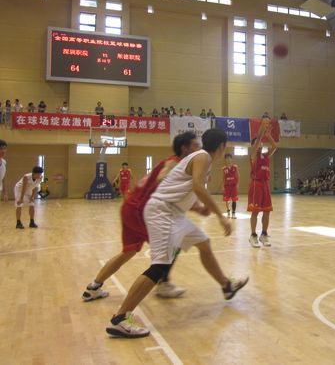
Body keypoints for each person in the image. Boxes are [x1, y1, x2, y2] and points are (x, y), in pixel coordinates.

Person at [105, 129, 248, 338]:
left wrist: (198, 207)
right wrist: (221, 216)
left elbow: (184, 188)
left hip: (174, 213)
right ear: (221, 147)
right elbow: (198, 187)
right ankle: (120, 318)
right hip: (162, 211)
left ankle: (226, 286)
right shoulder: (203, 157)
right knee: (159, 267)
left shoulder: (200, 159)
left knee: (204, 243)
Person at [82, 133, 197, 302]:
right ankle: (163, 284)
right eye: (195, 145)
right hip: (141, 212)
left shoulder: (171, 162)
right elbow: (162, 178)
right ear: (185, 148)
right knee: (173, 244)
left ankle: (93, 287)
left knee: (128, 252)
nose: (198, 149)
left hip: (130, 208)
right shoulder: (175, 163)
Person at [248, 119, 277, 247]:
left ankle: (264, 234)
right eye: (257, 143)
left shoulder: (265, 156)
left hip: (265, 185)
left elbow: (275, 146)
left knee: (267, 211)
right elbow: (258, 140)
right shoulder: (253, 155)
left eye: (260, 143)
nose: (259, 145)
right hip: (256, 185)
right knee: (255, 211)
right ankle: (253, 235)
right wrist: (261, 129)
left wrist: (268, 135)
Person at [222, 153, 239, 219]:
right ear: (225, 160)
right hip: (227, 186)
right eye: (227, 158)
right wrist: (223, 186)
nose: (228, 160)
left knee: (234, 200)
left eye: (229, 158)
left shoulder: (235, 167)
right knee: (227, 200)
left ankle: (233, 214)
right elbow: (223, 178)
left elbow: (238, 175)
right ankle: (228, 212)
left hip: (233, 186)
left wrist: (238, 184)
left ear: (231, 159)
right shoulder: (224, 168)